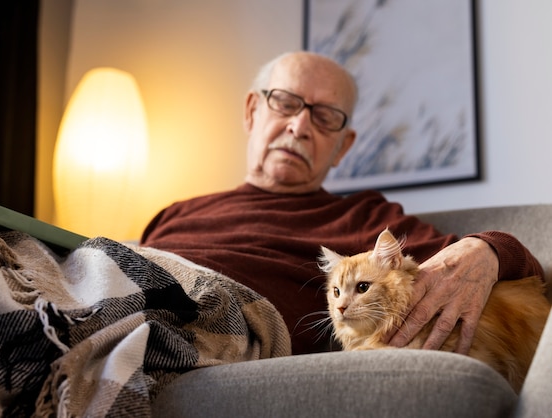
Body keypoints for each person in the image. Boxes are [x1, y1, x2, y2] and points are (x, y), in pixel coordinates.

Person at [140, 51, 543, 355]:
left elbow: (493, 269)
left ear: (342, 147)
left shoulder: (364, 217)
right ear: (251, 111)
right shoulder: (173, 214)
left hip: (209, 325)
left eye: (325, 117)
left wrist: (488, 248)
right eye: (285, 102)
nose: (299, 127)